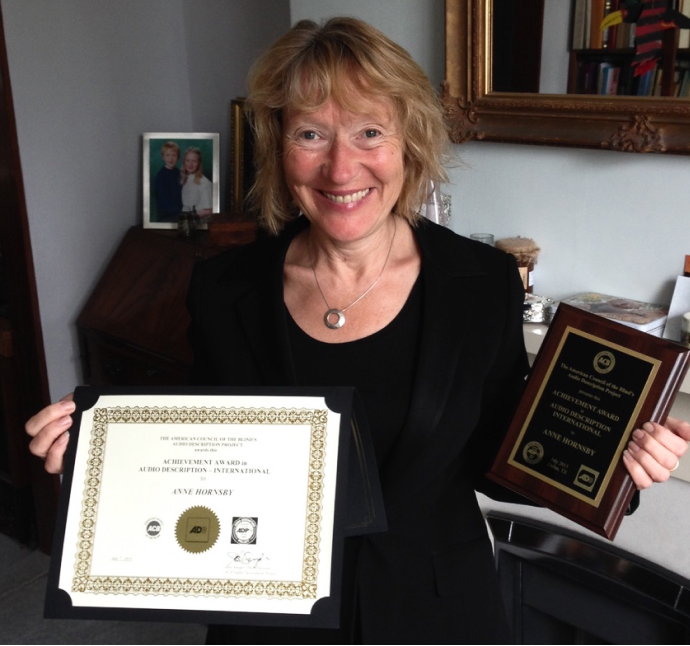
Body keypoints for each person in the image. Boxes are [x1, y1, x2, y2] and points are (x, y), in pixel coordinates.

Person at [26, 17, 690, 645]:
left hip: (435, 612)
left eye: (369, 132)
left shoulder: (481, 281)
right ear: (280, 147)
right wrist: (103, 459)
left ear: (410, 139)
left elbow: (497, 457)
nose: (341, 170)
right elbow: (197, 448)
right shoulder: (226, 286)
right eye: (311, 134)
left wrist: (614, 463)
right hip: (269, 620)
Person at [153, 140, 183, 220]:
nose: (171, 158)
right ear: (163, 157)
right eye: (168, 155)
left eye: (174, 155)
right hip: (166, 215)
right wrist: (180, 211)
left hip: (180, 213)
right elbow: (163, 200)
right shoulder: (161, 176)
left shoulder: (180, 174)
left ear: (178, 157)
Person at [180, 146, 213, 216]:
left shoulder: (204, 182)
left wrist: (191, 217)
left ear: (199, 163)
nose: (190, 164)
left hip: (198, 223)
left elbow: (208, 210)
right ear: (184, 162)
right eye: (187, 160)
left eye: (194, 161)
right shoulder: (185, 180)